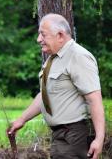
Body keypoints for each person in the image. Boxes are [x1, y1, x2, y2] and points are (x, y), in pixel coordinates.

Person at [7, 13, 105, 159]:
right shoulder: (53, 59)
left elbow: (94, 99)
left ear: (60, 35)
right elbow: (45, 95)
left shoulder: (78, 56)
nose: (38, 39)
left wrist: (99, 139)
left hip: (74, 135)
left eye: (43, 35)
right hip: (61, 135)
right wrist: (22, 119)